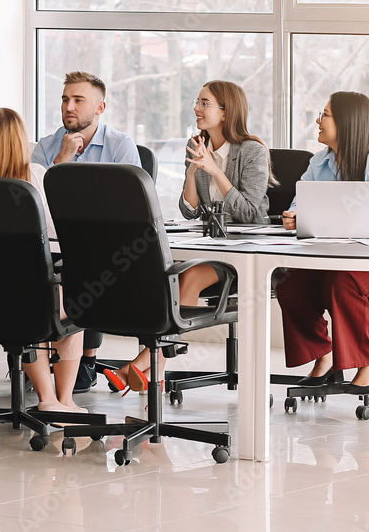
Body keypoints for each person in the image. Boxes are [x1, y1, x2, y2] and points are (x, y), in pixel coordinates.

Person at [107, 80, 272, 393]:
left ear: (225, 112)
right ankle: (153, 366)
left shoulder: (252, 151)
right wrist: (191, 172)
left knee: (190, 276)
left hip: (246, 254)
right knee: (162, 272)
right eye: (197, 101)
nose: (196, 108)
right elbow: (190, 210)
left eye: (204, 103)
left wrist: (214, 171)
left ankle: (144, 360)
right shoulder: (198, 144)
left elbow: (250, 212)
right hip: (211, 246)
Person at [276, 91, 369, 395]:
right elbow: (300, 202)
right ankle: (322, 356)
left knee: (343, 281)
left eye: (324, 115)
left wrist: (330, 218)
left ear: (346, 121)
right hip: (339, 262)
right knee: (289, 281)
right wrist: (295, 217)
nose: (317, 120)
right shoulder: (320, 162)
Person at [31, 71, 141, 393]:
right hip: (54, 242)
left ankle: (85, 359)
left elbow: (132, 205)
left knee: (85, 269)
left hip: (106, 246)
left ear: (100, 107)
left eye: (79, 100)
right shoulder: (46, 147)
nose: (69, 107)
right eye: (65, 99)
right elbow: (36, 205)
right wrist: (62, 160)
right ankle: (41, 357)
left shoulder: (121, 147)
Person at [0, 107, 86, 414]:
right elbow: (58, 235)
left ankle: (48, 399)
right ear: (21, 140)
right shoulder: (35, 177)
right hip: (33, 294)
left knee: (28, 311)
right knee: (71, 308)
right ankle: (62, 401)